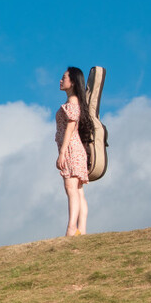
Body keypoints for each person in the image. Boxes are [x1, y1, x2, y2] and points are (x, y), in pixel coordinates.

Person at [55, 66, 94, 236]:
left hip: (71, 148)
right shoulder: (78, 102)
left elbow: (70, 127)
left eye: (64, 77)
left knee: (71, 189)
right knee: (78, 191)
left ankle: (72, 228)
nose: (61, 80)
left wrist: (62, 153)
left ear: (72, 82)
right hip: (77, 149)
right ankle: (81, 230)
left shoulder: (71, 103)